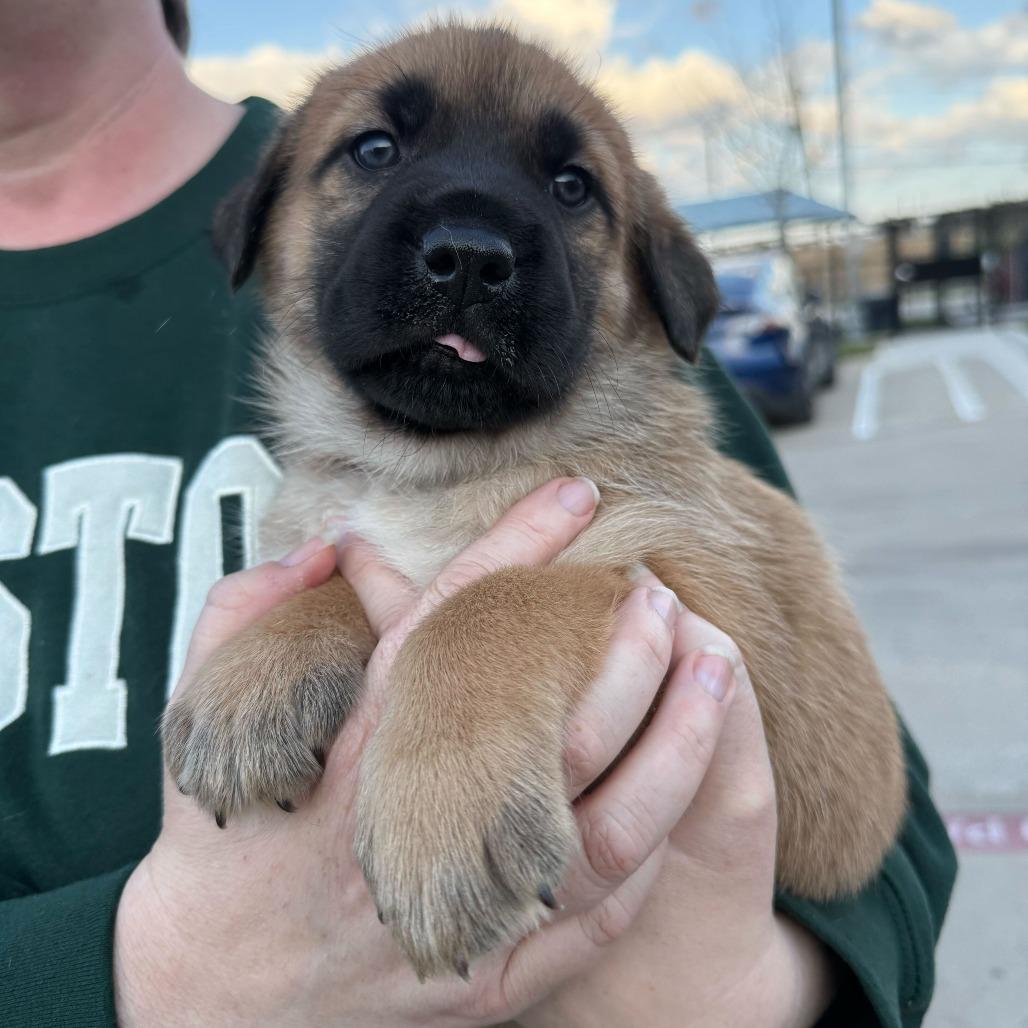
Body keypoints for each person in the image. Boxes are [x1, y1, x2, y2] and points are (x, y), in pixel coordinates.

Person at [0, 1, 956, 1025]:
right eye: (374, 148)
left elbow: (861, 839)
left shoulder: (664, 479)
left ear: (649, 291)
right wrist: (158, 976)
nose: (467, 236)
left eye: (570, 186)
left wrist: (750, 986)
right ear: (259, 229)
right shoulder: (314, 510)